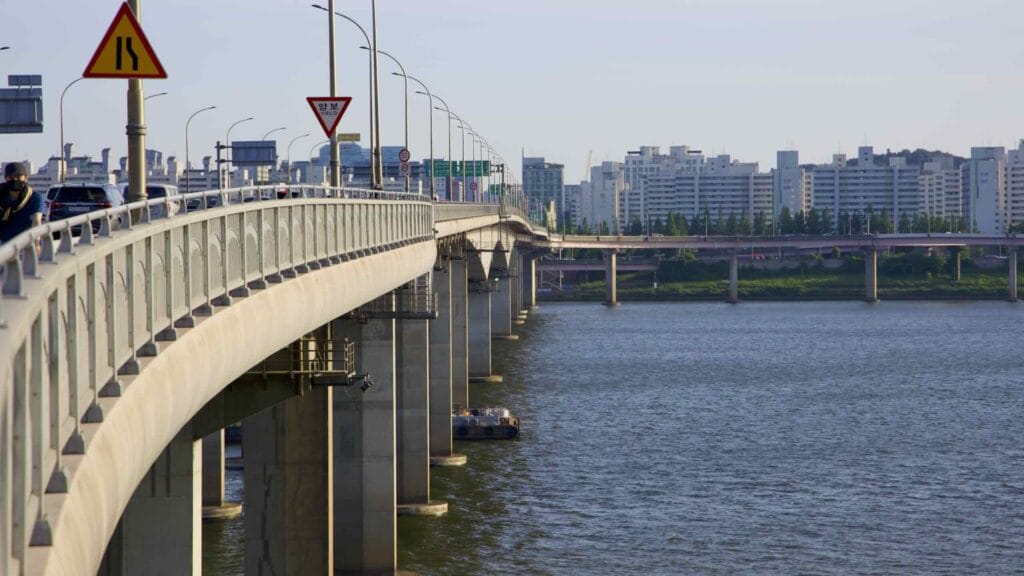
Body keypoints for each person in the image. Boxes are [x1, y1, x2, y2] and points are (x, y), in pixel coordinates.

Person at [0, 162, 44, 244]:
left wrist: (37, 242)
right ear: (6, 178)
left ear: (25, 178)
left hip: (26, 243)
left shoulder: (34, 197)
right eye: (11, 177)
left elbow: (36, 221)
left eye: (18, 176)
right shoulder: (1, 195)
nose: (15, 180)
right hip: (4, 242)